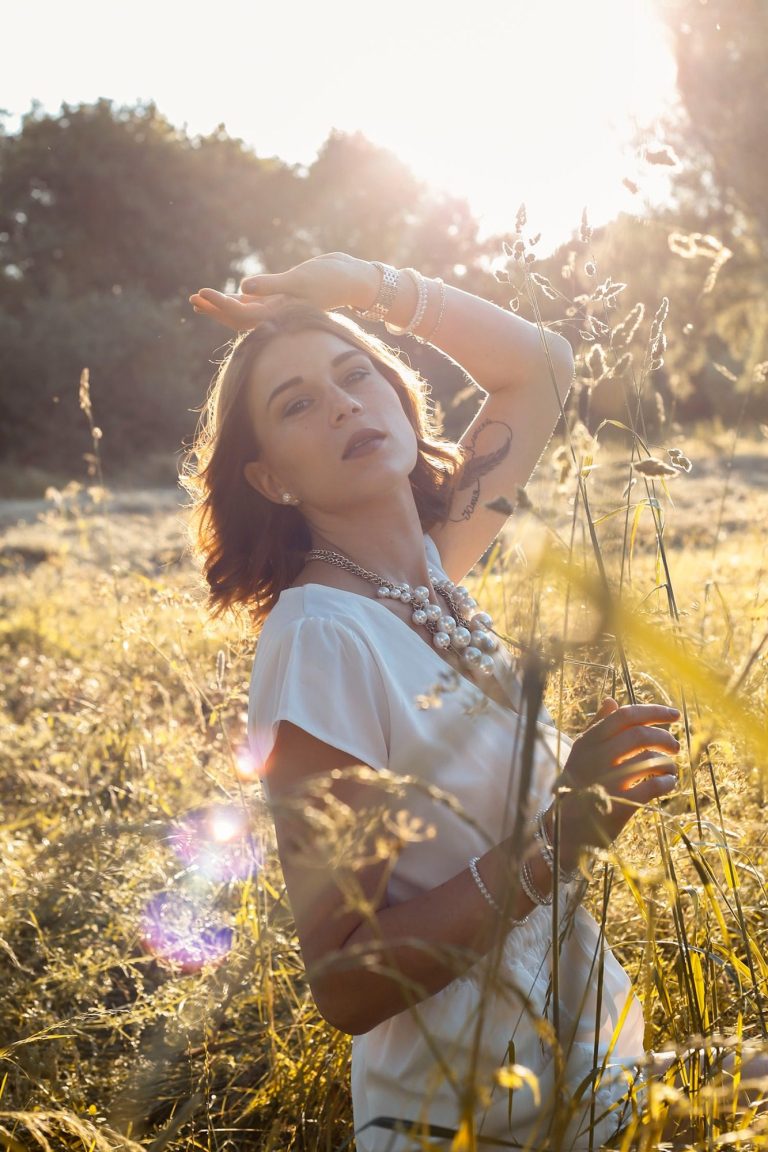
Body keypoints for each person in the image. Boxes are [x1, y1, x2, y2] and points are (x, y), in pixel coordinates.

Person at [186, 253, 682, 1150]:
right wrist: (557, 841)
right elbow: (345, 980)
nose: (341, 404)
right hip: (470, 1119)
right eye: (297, 404)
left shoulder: (434, 570)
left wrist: (360, 284)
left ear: (400, 402)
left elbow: (541, 364)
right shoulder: (321, 641)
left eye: (355, 374)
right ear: (271, 480)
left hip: (594, 1076)